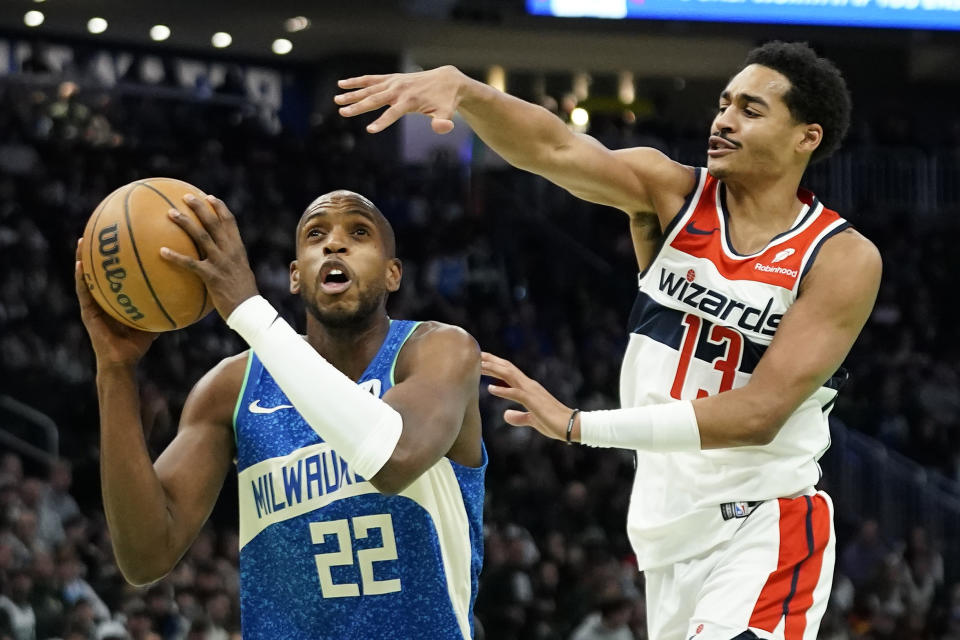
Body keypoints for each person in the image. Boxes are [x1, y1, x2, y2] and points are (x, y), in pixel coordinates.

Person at [337, 41, 882, 640]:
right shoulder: (669, 193)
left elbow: (759, 414)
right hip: (665, 537)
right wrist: (468, 92)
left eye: (751, 110)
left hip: (764, 527)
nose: (724, 120)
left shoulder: (840, 257)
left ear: (807, 136)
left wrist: (577, 424)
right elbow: (555, 147)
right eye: (724, 104)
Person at [75, 189, 486, 639]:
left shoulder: (437, 351)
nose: (335, 243)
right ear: (295, 276)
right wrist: (114, 372)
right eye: (316, 234)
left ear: (393, 274)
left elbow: (392, 458)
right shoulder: (231, 388)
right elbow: (144, 557)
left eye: (359, 232)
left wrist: (249, 311)